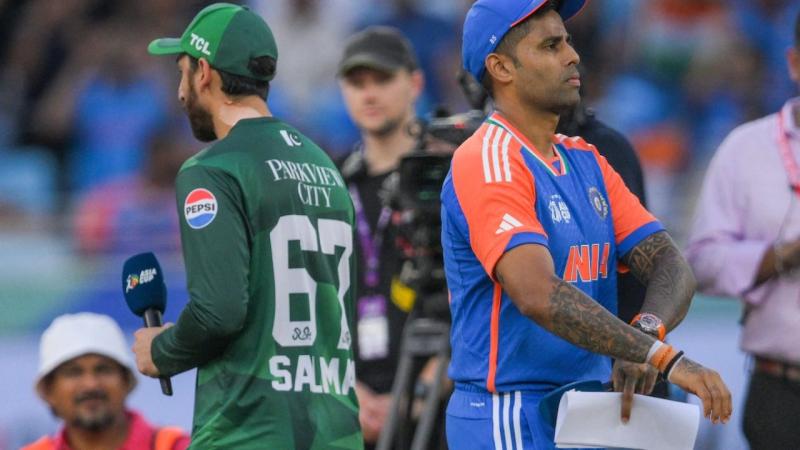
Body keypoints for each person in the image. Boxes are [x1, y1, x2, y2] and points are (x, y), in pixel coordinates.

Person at [441, 1, 733, 448]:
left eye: (568, 41)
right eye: (550, 46)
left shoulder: (585, 159)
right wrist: (662, 357)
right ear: (501, 67)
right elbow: (537, 293)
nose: (572, 55)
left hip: (585, 411)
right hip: (509, 413)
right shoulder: (487, 159)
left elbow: (671, 264)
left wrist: (646, 332)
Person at [131, 4, 362, 448]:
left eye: (182, 73)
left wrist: (162, 350)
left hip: (248, 430)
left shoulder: (213, 169)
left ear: (203, 72)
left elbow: (219, 312)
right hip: (335, 431)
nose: (179, 93)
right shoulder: (324, 166)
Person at [686, 11, 800, 450]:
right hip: (782, 393)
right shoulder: (746, 148)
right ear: (794, 64)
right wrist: (783, 255)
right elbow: (701, 263)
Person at [335, 26, 425, 446]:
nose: (369, 94)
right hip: (349, 405)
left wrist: (419, 393)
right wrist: (343, 388)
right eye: (357, 83)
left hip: (438, 401)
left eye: (383, 79)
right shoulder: (328, 183)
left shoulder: (449, 173)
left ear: (415, 83)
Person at [22, 313, 189, 450]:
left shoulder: (178, 447)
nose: (91, 384)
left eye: (103, 370)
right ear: (48, 390)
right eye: (74, 373)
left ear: (126, 382)